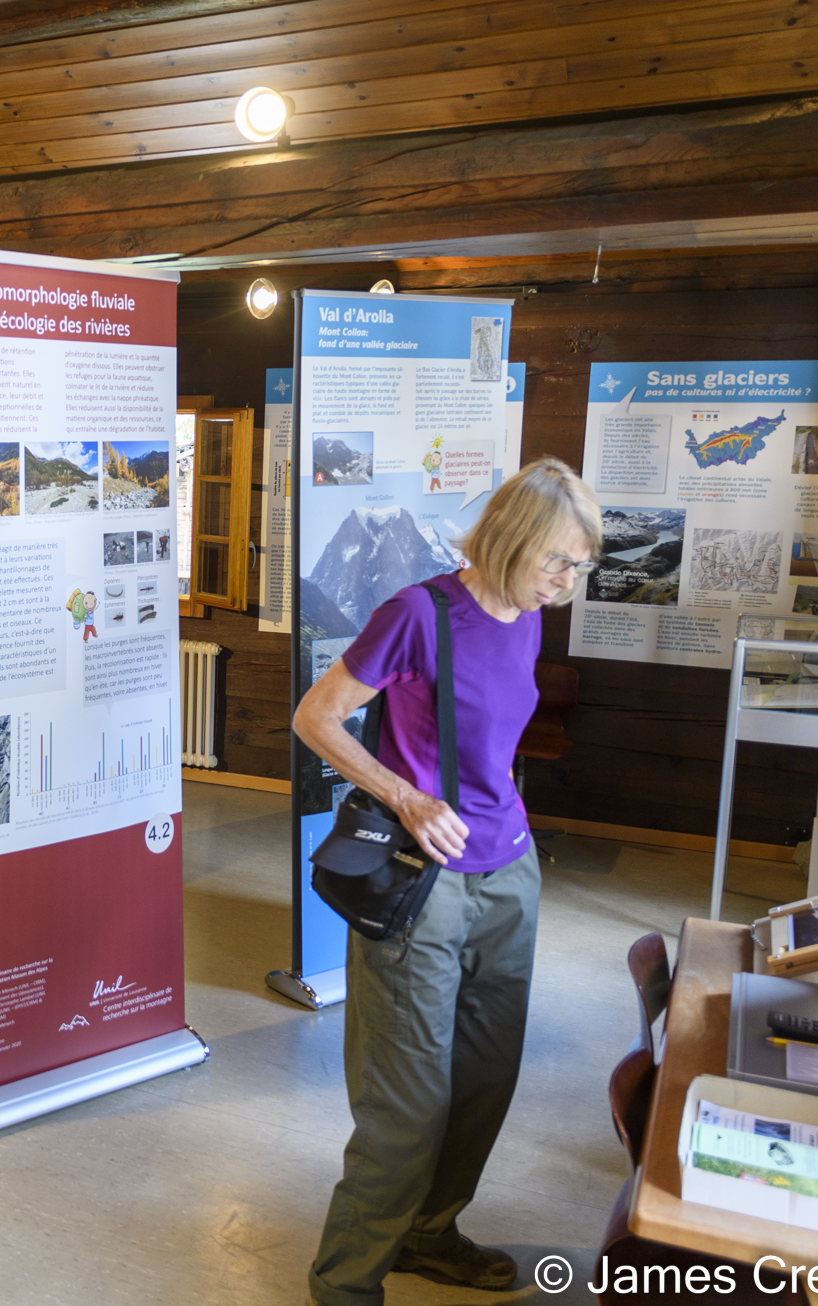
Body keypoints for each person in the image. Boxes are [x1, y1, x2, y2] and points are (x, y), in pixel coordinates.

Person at [291, 456, 602, 1305]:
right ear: (512, 539)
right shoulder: (417, 614)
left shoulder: (527, 614)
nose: (567, 581)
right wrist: (407, 796)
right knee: (409, 1102)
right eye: (559, 561)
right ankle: (344, 1283)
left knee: (486, 1079)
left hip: (510, 871)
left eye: (578, 565)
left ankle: (428, 1233)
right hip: (423, 881)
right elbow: (316, 716)